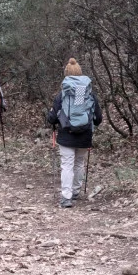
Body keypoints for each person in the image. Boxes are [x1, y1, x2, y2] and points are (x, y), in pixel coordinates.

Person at [46, 58, 102, 208]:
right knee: (79, 163)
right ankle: (76, 191)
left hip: (66, 134)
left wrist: (52, 117)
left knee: (67, 165)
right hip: (84, 135)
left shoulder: (62, 94)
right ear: (80, 73)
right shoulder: (89, 94)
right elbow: (98, 119)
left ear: (66, 74)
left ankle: (66, 197)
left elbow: (52, 118)